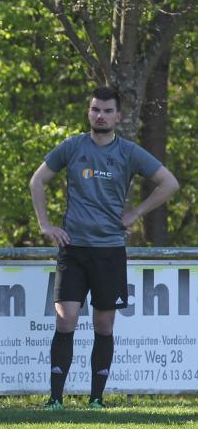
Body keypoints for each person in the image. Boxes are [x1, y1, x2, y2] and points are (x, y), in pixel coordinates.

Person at [30, 86, 179, 410]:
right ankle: (55, 399)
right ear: (89, 112)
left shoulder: (129, 152)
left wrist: (136, 213)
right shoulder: (72, 147)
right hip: (73, 249)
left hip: (109, 250)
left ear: (118, 116)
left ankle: (96, 399)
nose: (100, 115)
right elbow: (37, 181)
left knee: (104, 325)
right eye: (96, 109)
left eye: (107, 111)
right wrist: (45, 224)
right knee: (65, 320)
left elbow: (170, 183)